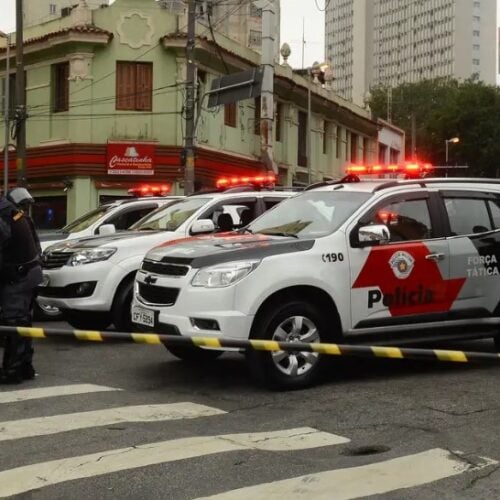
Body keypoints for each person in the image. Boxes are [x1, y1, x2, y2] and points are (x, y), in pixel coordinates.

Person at [0, 188, 42, 383]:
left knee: (14, 323)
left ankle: (13, 371)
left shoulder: (3, 214)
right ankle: (25, 367)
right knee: (22, 322)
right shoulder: (12, 212)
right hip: (28, 273)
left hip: (19, 276)